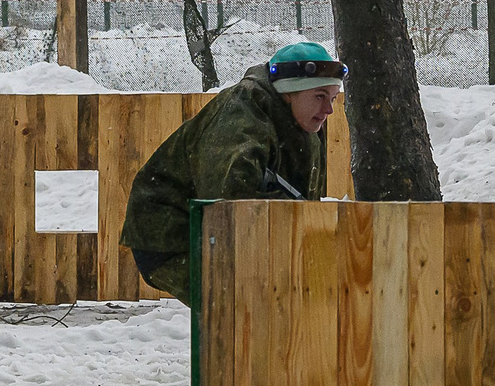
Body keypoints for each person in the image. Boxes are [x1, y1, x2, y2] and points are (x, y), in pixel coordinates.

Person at [121, 40, 345, 302]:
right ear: (288, 92)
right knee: (243, 303)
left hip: (220, 234)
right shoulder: (241, 118)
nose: (328, 110)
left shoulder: (305, 125)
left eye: (333, 98)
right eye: (319, 97)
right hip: (172, 238)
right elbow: (228, 203)